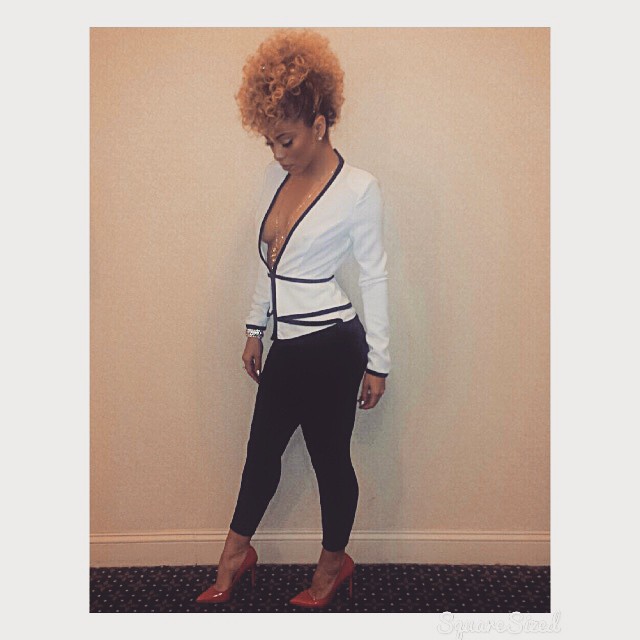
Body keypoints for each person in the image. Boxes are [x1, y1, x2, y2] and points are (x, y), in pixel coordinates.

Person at [196, 28, 391, 609]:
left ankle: (332, 565)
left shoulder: (358, 189)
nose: (279, 154)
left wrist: (379, 362)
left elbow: (375, 275)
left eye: (286, 140)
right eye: (271, 142)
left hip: (333, 347)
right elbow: (270, 262)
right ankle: (236, 554)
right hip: (287, 347)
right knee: (260, 456)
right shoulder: (277, 181)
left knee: (331, 463)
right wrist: (254, 328)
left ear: (320, 124)